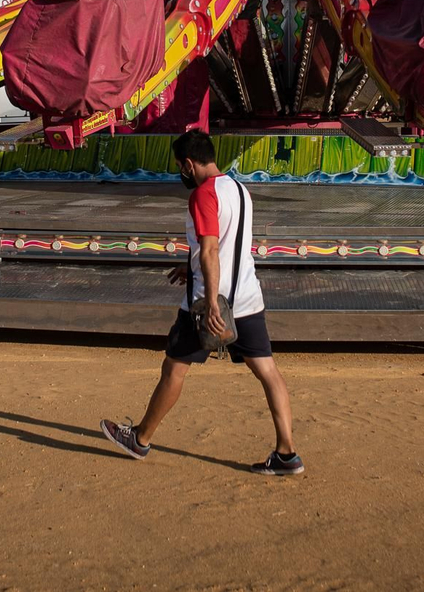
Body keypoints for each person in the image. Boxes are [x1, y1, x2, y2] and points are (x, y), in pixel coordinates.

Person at [100, 129, 303, 475]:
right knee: (268, 371)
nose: (181, 172)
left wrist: (210, 302)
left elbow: (211, 249)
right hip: (248, 297)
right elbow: (227, 243)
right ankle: (287, 454)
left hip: (208, 303)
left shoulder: (203, 195)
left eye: (180, 166)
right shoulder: (239, 189)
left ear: (190, 164)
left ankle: (141, 438)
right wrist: (191, 263)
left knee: (174, 368)